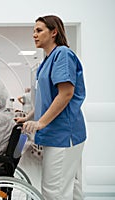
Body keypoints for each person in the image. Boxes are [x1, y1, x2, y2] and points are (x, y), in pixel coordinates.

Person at [16, 15, 87, 200]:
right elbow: (45, 100)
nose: (34, 35)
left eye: (39, 30)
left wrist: (40, 123)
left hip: (63, 134)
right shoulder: (45, 62)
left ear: (54, 32)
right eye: (34, 31)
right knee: (71, 188)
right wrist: (29, 117)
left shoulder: (62, 54)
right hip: (57, 133)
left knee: (53, 192)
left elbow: (65, 94)